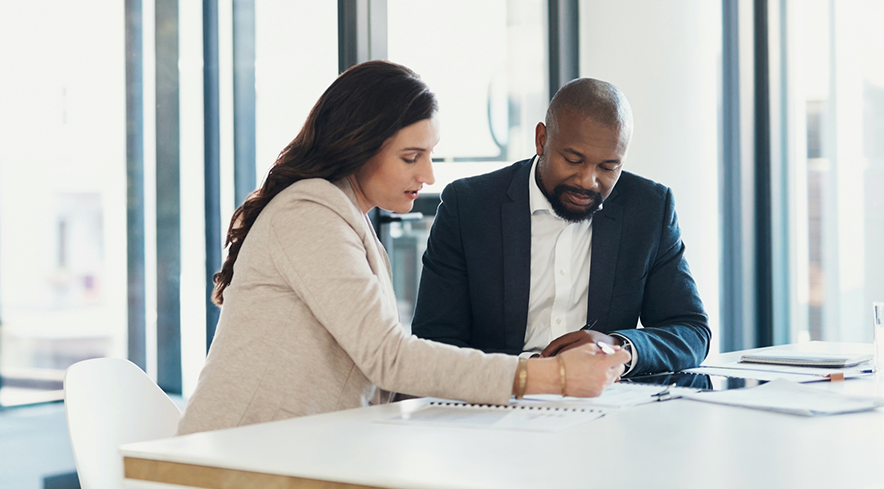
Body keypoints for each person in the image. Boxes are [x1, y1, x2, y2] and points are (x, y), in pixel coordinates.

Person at [176, 61, 630, 436]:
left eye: (430, 155)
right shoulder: (308, 215)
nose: (429, 176)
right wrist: (550, 377)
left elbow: (383, 374)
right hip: (234, 467)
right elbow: (389, 358)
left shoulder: (347, 223)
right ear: (359, 147)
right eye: (411, 157)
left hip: (295, 454)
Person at [411, 78, 710, 377]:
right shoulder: (469, 206)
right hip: (499, 399)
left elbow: (691, 332)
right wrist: (529, 376)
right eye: (572, 159)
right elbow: (434, 341)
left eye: (608, 167)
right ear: (542, 139)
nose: (587, 181)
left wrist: (618, 347)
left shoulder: (648, 208)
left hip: (606, 407)